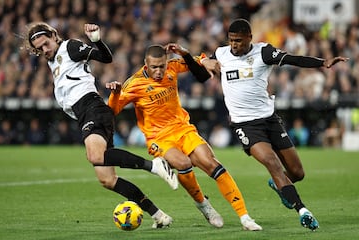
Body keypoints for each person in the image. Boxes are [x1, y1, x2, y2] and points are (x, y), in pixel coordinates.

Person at [200, 18, 349, 231]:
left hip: (269, 120)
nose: (234, 45)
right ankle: (303, 210)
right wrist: (203, 61)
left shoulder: (263, 53)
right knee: (273, 164)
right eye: (232, 40)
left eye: (239, 41)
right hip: (245, 125)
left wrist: (322, 63)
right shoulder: (221, 53)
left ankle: (280, 186)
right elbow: (201, 62)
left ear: (250, 38)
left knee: (297, 173)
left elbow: (292, 59)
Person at [25, 22, 178, 228]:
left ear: (54, 35)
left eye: (46, 44)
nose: (45, 50)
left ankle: (154, 165)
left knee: (95, 156)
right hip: (85, 114)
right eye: (40, 48)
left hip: (92, 108)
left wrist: (96, 40)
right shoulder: (54, 60)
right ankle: (159, 215)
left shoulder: (69, 47)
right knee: (108, 179)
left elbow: (106, 58)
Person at [106, 43, 262, 231]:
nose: (158, 71)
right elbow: (112, 110)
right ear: (146, 65)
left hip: (183, 129)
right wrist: (115, 94)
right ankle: (203, 204)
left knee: (212, 163)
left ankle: (245, 217)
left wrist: (204, 60)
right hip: (159, 138)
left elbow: (194, 61)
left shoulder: (172, 67)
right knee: (183, 163)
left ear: (166, 63)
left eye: (161, 66)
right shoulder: (134, 83)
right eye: (154, 67)